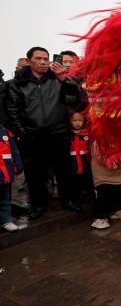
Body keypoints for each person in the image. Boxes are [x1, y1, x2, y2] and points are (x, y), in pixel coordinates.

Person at [6, 47, 82, 218]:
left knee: (64, 171)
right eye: (38, 58)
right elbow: (13, 111)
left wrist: (65, 78)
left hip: (59, 132)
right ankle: (38, 205)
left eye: (45, 59)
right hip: (33, 135)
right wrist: (23, 134)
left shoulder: (58, 79)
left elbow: (74, 98)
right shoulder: (17, 83)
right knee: (35, 174)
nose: (42, 62)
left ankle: (68, 200)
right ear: (29, 60)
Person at [90, 141, 121, 229]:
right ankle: (99, 217)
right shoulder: (98, 142)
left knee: (117, 191)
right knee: (103, 195)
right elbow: (100, 156)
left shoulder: (117, 138)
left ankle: (117, 209)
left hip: (115, 173)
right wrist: (114, 162)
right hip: (102, 174)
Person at [0, 124, 25, 232]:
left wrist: (18, 165)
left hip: (5, 172)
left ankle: (6, 220)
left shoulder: (4, 131)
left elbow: (14, 150)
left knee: (5, 197)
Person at [67, 112, 92, 210]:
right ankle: (77, 201)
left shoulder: (87, 133)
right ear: (70, 122)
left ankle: (90, 198)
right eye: (74, 120)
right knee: (75, 184)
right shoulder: (68, 134)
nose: (77, 123)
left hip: (85, 162)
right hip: (73, 164)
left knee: (88, 182)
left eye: (80, 120)